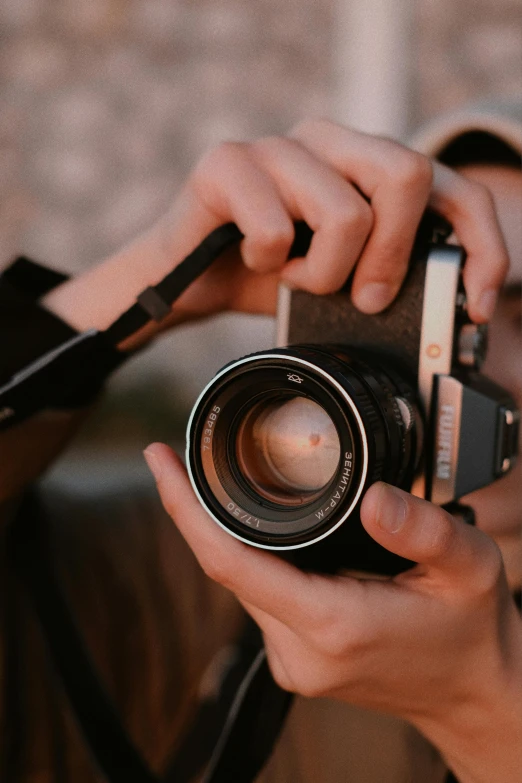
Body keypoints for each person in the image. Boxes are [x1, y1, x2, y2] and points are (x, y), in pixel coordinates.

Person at [0, 104, 520, 782]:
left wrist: (486, 712)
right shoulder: (195, 575)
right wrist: (142, 287)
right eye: (428, 308)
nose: (470, 359)